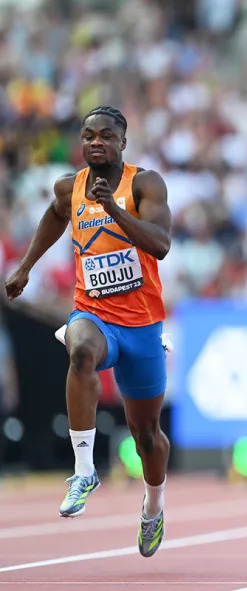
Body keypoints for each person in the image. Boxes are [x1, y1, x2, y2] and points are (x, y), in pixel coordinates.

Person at [5, 106, 172, 558]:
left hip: (141, 326)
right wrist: (25, 267)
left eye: (106, 136)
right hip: (94, 314)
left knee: (147, 436)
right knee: (79, 352)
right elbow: (56, 215)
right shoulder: (70, 187)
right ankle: (84, 470)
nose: (96, 142)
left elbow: (161, 244)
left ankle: (153, 506)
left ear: (122, 143)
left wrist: (113, 209)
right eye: (88, 136)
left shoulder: (144, 184)